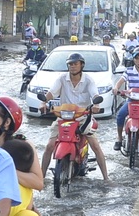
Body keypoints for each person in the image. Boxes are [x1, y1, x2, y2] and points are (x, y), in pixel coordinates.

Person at [38, 52, 109, 181]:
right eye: (70, 64)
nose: (73, 66)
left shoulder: (88, 80)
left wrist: (96, 104)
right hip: (64, 117)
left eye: (75, 64)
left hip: (83, 117)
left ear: (81, 65)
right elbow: (51, 93)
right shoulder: (61, 79)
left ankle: (106, 178)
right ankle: (41, 178)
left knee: (96, 146)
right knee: (49, 146)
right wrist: (44, 102)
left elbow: (94, 94)